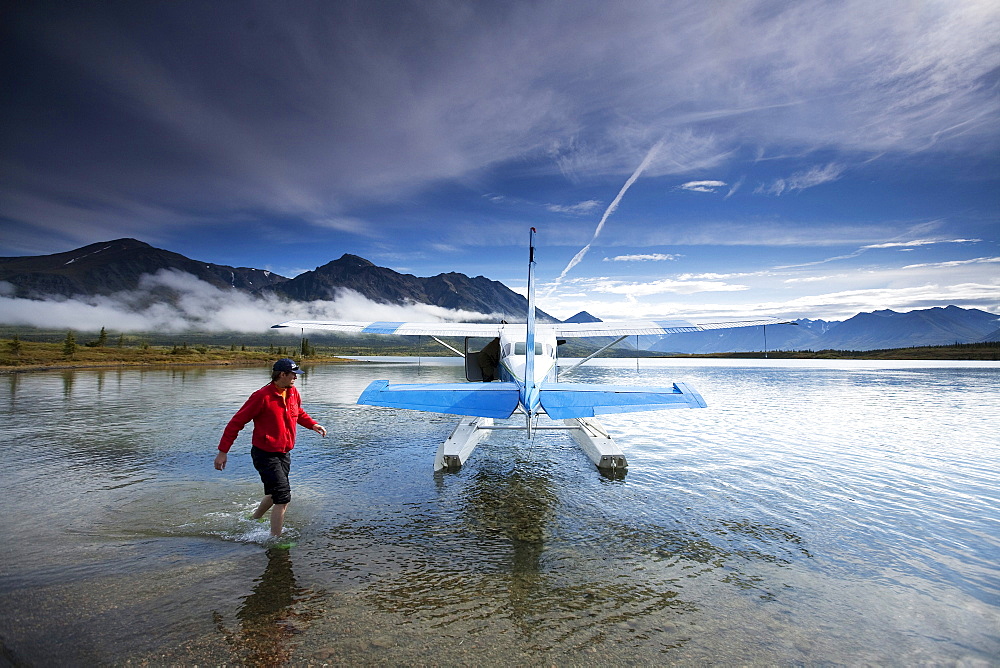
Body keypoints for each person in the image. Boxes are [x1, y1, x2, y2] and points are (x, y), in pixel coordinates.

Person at [215, 358, 327, 538]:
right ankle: (276, 538)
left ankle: (253, 519)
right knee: (283, 497)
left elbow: (298, 413)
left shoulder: (292, 393)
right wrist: (223, 452)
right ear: (282, 375)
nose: (296, 378)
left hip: (284, 452)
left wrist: (312, 425)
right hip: (265, 454)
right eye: (293, 375)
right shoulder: (261, 396)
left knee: (275, 493)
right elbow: (236, 423)